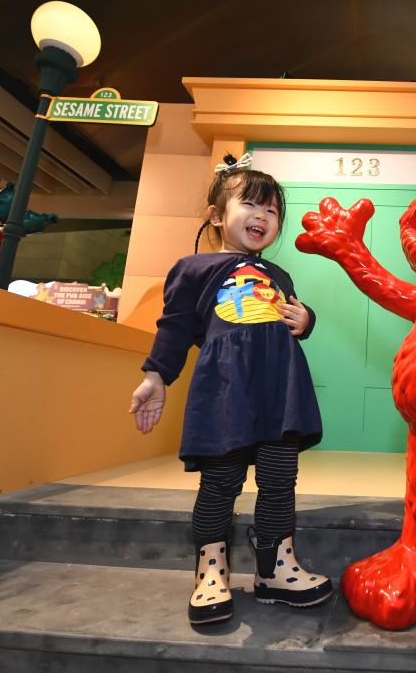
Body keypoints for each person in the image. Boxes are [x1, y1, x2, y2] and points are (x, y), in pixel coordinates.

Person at [129, 154, 331, 625]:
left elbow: (290, 318)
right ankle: (210, 571)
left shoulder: (279, 276)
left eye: (272, 210)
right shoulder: (194, 268)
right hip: (226, 392)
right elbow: (175, 327)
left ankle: (276, 569)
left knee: (280, 481)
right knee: (221, 483)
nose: (263, 216)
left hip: (279, 392)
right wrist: (155, 376)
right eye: (250, 205)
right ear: (217, 215)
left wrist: (306, 321)